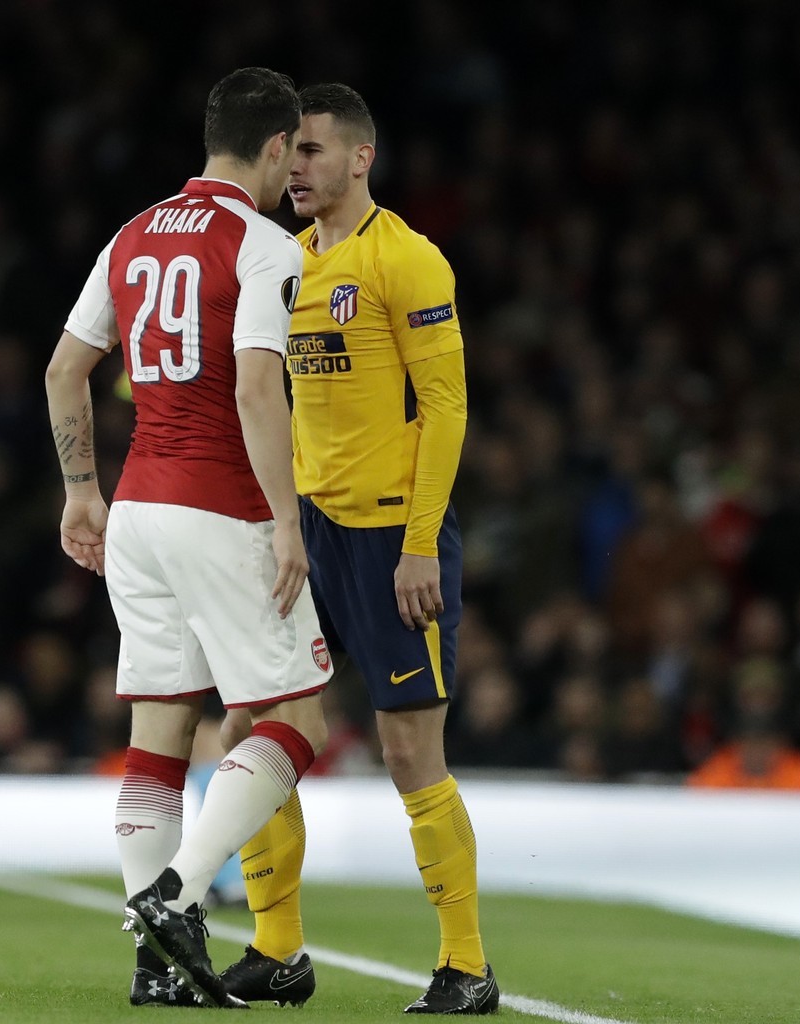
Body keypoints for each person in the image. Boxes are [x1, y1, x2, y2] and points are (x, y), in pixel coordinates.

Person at [43, 67, 331, 1010]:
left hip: (135, 512)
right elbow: (258, 389)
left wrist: (80, 491)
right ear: (279, 146)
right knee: (298, 719)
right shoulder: (262, 245)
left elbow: (64, 371)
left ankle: (152, 963)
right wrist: (288, 519)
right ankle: (177, 895)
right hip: (221, 506)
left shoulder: (131, 235)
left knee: (158, 736)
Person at [221, 83, 497, 1015]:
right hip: (308, 532)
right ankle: (277, 950)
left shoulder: (409, 261)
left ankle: (467, 965)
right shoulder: (286, 263)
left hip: (390, 536)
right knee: (259, 726)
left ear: (359, 158)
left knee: (408, 747)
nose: (293, 167)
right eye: (288, 153)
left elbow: (449, 409)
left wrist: (420, 544)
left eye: (309, 150)